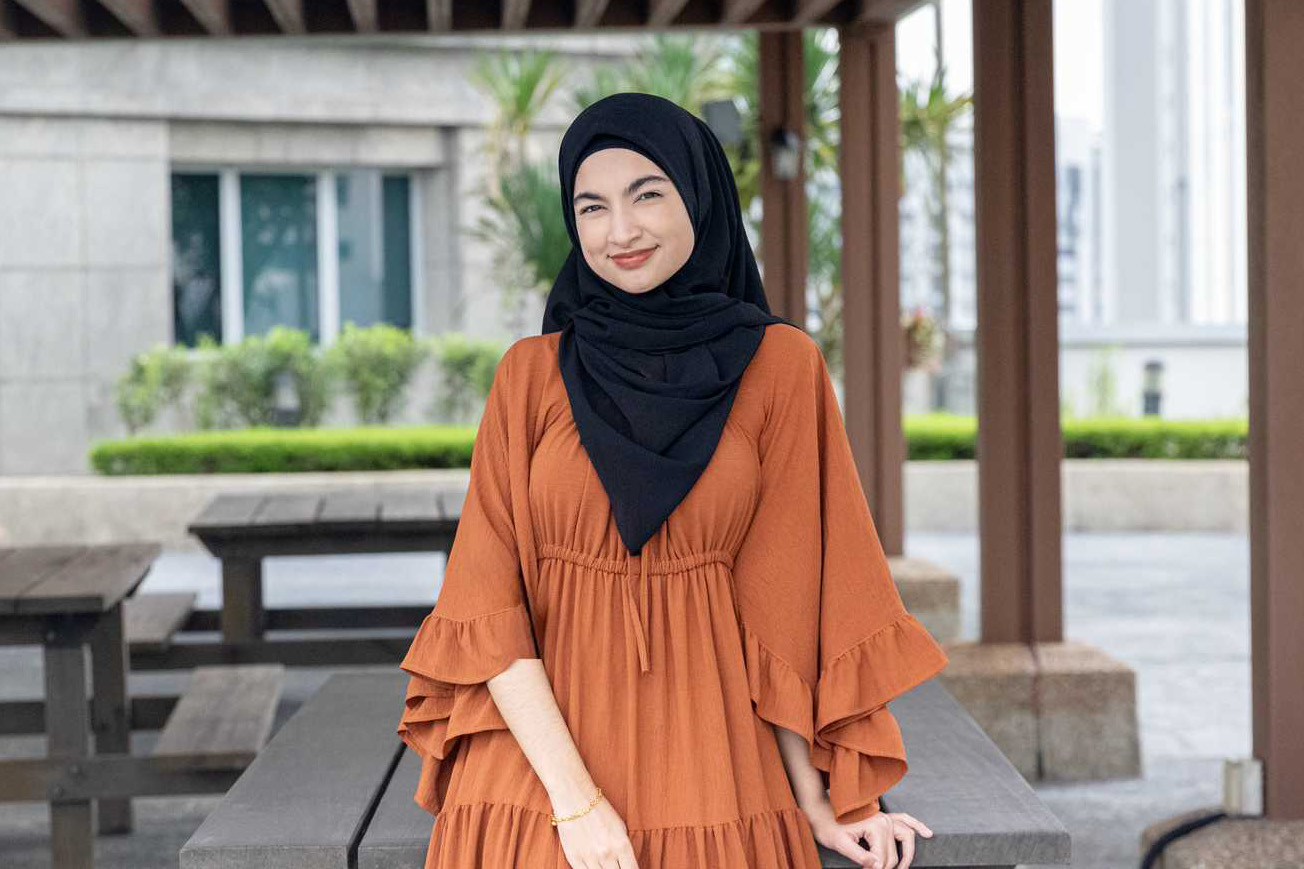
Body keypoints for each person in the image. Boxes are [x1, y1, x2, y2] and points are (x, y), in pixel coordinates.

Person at [396, 91, 950, 869]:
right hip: (536, 777)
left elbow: (788, 605)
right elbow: (487, 606)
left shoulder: (782, 367)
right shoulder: (530, 375)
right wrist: (577, 802)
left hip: (714, 760)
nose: (619, 231)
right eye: (591, 206)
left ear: (698, 195)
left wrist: (828, 803)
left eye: (646, 194)